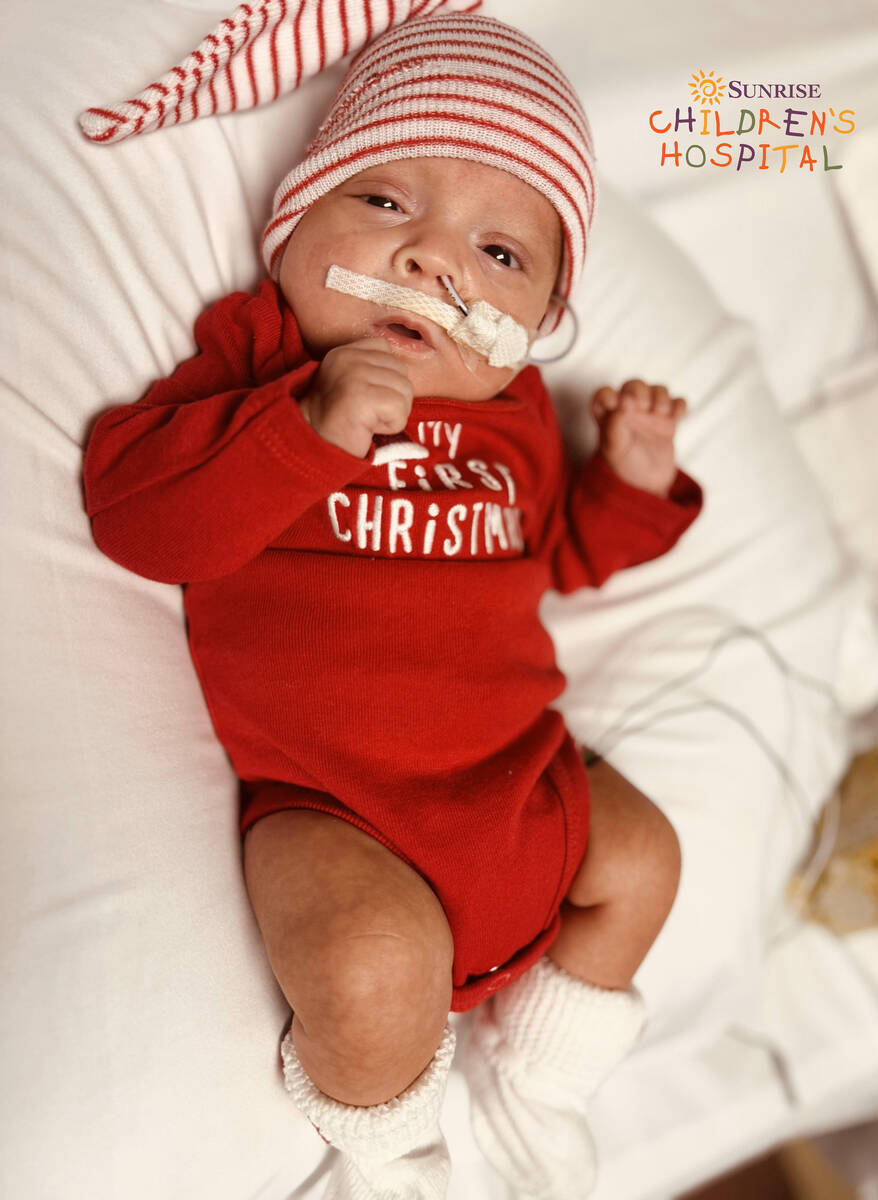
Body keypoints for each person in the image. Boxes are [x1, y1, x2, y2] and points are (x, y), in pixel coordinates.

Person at [80, 5, 703, 1198]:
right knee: (368, 973)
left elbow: (561, 556)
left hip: (526, 782)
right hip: (340, 815)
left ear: (532, 332)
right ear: (292, 227)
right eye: (382, 204)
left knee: (647, 857)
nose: (431, 261)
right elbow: (137, 514)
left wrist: (631, 483)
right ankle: (395, 1152)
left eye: (500, 256)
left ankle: (547, 1084)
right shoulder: (262, 363)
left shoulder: (514, 418)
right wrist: (304, 435)